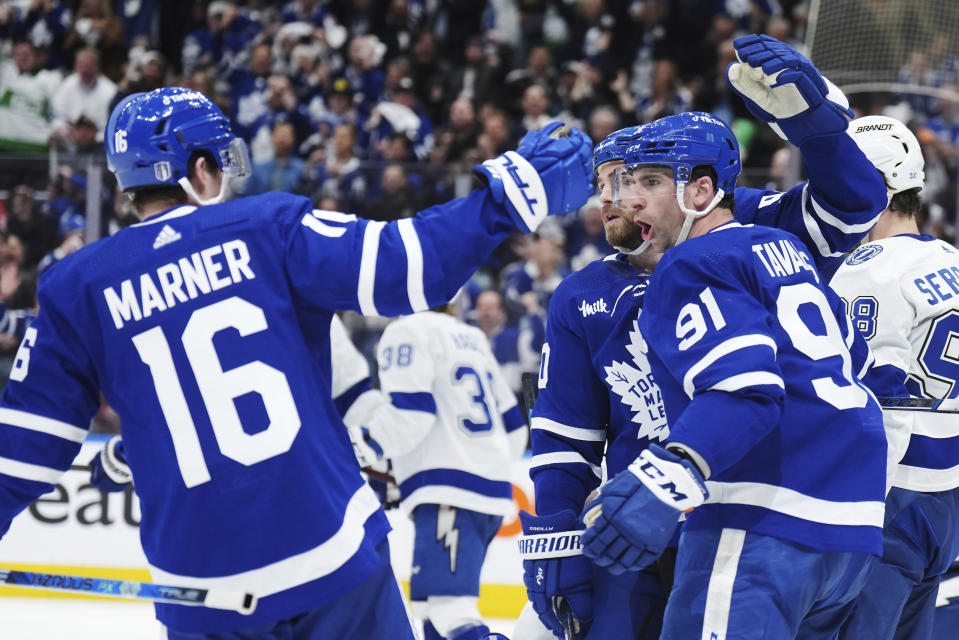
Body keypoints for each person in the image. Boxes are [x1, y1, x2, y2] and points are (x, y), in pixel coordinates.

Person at [0, 86, 592, 638]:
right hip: (328, 557)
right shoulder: (268, 227)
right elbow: (409, 265)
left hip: (199, 591)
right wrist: (515, 191)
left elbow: (21, 450)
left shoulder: (73, 287)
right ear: (199, 171)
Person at [517, 34, 890, 640]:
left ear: (699, 191)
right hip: (638, 520)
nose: (618, 197)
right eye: (609, 182)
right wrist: (555, 537)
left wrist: (814, 125)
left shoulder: (741, 224)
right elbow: (565, 431)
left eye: (637, 179)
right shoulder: (581, 294)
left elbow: (854, 202)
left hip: (734, 494)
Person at [830, 116, 959, 640]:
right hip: (948, 494)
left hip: (889, 493)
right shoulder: (950, 256)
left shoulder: (862, 270)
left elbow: (867, 391)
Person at [362, 303, 527, 640]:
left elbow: (410, 416)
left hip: (448, 493)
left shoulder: (405, 330)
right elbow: (514, 427)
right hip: (490, 492)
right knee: (430, 609)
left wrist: (353, 449)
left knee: (448, 608)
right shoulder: (471, 336)